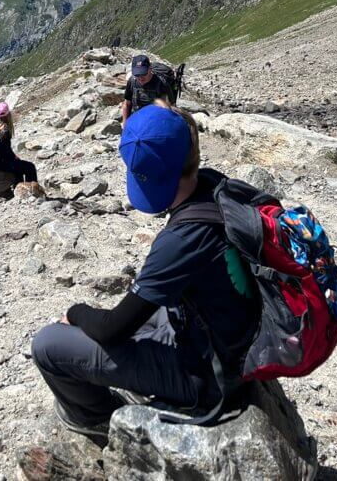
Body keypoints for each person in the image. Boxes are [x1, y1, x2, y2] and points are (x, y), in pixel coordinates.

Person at [31, 102, 260, 441]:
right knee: (135, 314)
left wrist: (75, 312)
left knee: (48, 345)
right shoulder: (216, 186)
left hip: (206, 375)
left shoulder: (180, 240)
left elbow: (111, 331)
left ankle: (98, 420)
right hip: (229, 340)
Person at [0, 102, 37, 183]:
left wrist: (14, 157)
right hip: (2, 164)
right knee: (30, 167)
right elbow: (6, 152)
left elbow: (2, 149)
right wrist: (14, 157)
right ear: (7, 115)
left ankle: (19, 188)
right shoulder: (4, 130)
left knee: (18, 168)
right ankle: (32, 192)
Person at [120, 54, 173, 125]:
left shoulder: (162, 84)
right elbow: (127, 104)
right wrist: (124, 123)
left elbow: (170, 108)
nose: (140, 78)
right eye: (137, 75)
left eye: (143, 73)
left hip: (155, 122)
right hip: (136, 119)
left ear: (150, 69)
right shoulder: (132, 81)